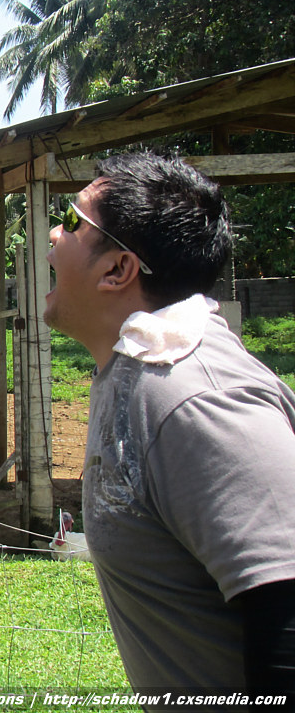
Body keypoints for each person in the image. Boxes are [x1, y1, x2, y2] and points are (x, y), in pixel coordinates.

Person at [44, 152, 295, 698]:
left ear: (117, 269)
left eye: (70, 221)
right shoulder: (137, 370)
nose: (53, 235)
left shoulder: (197, 399)